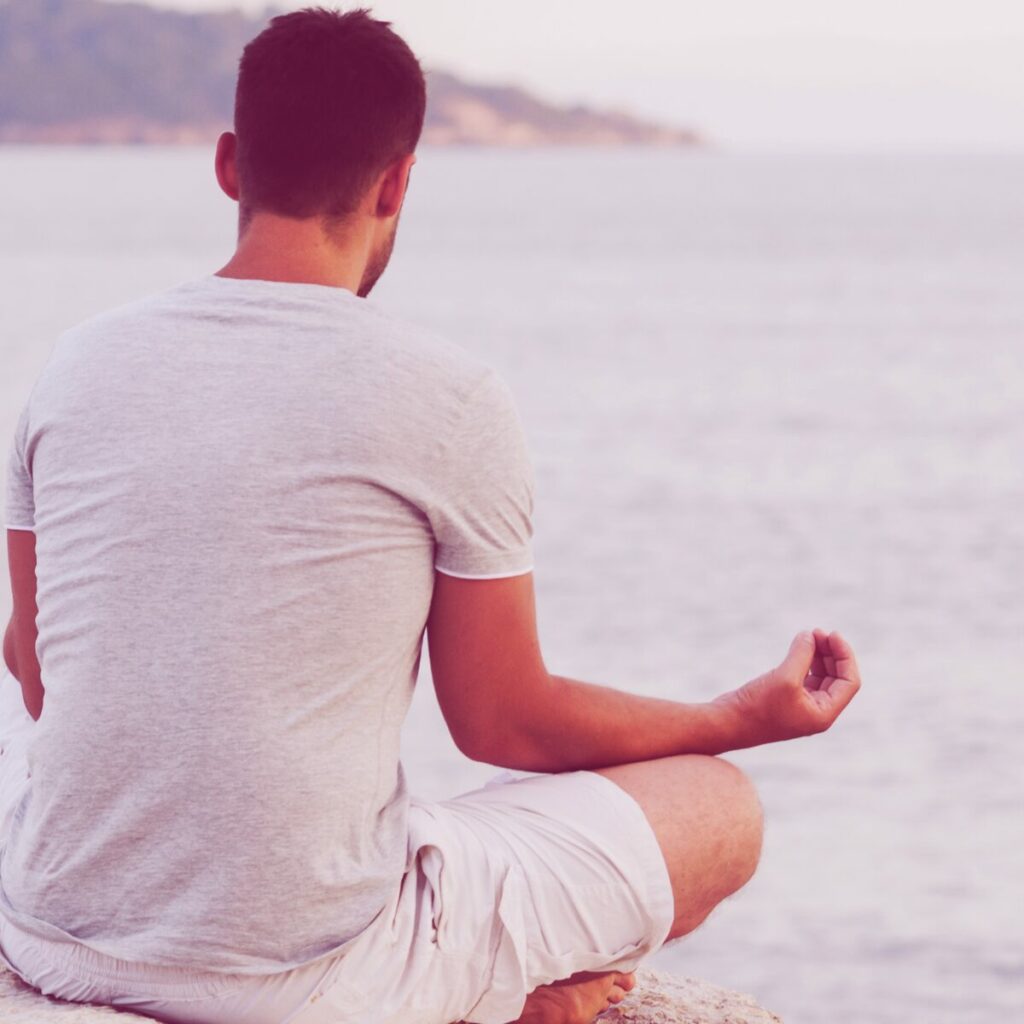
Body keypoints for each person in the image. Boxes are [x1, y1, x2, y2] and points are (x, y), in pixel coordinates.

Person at [0, 6, 862, 1024]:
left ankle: (482, 972)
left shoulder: (76, 367)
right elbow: (500, 719)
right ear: (398, 181)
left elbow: (39, 670)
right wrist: (737, 717)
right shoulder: (444, 396)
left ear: (229, 164)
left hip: (57, 937)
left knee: (380, 828)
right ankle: (492, 988)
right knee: (720, 811)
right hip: (311, 978)